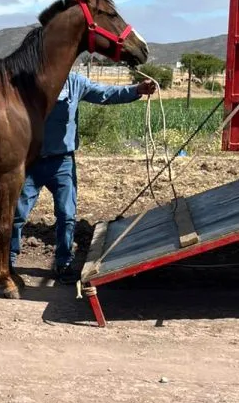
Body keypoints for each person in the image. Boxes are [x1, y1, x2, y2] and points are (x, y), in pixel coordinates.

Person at [11, 69, 156, 282]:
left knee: (66, 215)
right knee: (17, 215)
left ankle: (63, 263)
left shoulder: (75, 83)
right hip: (31, 161)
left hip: (63, 162)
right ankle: (8, 260)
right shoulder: (29, 81)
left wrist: (137, 90)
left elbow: (106, 93)